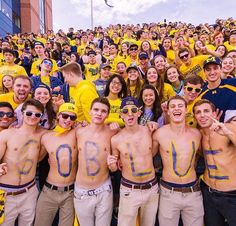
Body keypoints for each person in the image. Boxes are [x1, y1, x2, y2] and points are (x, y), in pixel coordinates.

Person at [153, 95, 204, 226]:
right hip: (168, 193)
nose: (177, 109)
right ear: (168, 111)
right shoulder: (159, 134)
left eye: (180, 106)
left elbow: (208, 155)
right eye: (173, 106)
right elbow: (148, 156)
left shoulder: (197, 134)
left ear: (186, 110)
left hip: (193, 192)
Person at [108, 96, 159, 226]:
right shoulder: (116, 139)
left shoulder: (150, 131)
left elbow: (153, 153)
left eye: (133, 110)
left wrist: (155, 124)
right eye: (125, 111)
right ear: (120, 114)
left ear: (139, 112)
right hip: (129, 190)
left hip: (151, 189)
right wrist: (111, 164)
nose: (130, 114)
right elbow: (114, 169)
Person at [0, 99, 46, 226]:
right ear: (22, 113)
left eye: (37, 115)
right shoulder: (7, 134)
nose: (33, 117)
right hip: (6, 193)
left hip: (29, 191)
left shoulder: (43, 135)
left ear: (41, 117)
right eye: (29, 113)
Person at [74, 97, 117, 226]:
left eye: (103, 111)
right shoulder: (78, 132)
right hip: (82, 191)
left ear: (108, 114)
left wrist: (112, 165)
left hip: (104, 190)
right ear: (90, 111)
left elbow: (114, 169)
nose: (99, 113)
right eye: (96, 110)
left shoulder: (112, 132)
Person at [34, 103, 78, 226]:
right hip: (49, 191)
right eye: (65, 116)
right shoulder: (46, 137)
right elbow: (36, 160)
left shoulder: (76, 134)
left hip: (70, 192)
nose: (68, 120)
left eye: (72, 117)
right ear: (58, 116)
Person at [193, 99, 236, 226]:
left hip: (231, 194)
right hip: (209, 192)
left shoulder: (228, 128)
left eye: (206, 111)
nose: (202, 115)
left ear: (214, 113)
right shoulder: (199, 135)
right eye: (198, 112)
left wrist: (227, 133)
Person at [198, 56, 236, 122]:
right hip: (215, 130)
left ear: (221, 69)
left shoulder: (233, 83)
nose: (212, 72)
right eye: (208, 69)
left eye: (215, 68)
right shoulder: (202, 95)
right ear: (204, 72)